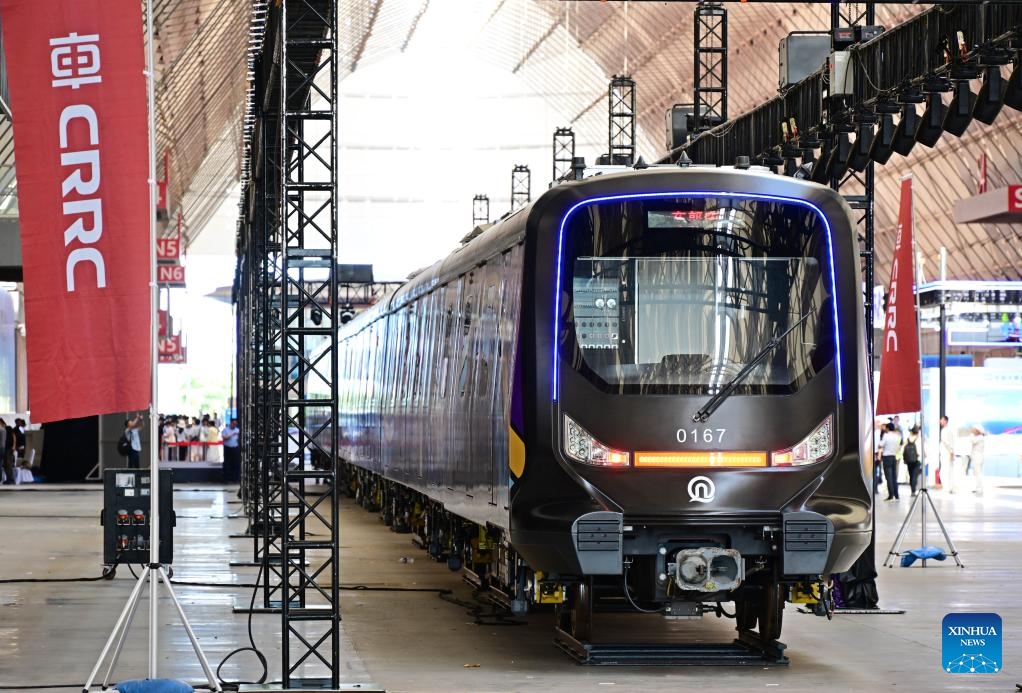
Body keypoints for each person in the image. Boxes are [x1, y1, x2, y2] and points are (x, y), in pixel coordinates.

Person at [879, 422, 902, 500]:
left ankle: (890, 495)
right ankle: (896, 495)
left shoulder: (886, 436)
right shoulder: (897, 436)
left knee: (889, 477)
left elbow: (880, 445)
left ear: (888, 428)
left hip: (887, 457)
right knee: (894, 477)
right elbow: (899, 446)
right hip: (894, 457)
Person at [939, 414, 957, 493]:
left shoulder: (945, 430)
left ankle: (946, 487)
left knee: (944, 470)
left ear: (945, 421)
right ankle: (950, 487)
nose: (940, 421)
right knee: (949, 470)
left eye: (941, 420)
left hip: (946, 452)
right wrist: (952, 451)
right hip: (949, 452)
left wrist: (951, 451)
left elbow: (946, 442)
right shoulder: (949, 430)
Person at [903, 425, 922, 497]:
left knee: (911, 475)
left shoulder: (908, 439)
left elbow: (903, 449)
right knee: (915, 475)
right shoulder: (919, 439)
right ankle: (914, 490)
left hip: (909, 460)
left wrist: (904, 459)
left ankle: (912, 490)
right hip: (917, 459)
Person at [221, 418, 240, 483]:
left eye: (235, 424)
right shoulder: (225, 430)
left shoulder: (237, 430)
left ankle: (235, 478)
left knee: (236, 463)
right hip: (227, 447)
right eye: (233, 424)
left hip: (235, 448)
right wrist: (232, 434)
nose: (234, 425)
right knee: (227, 463)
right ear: (231, 423)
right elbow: (224, 438)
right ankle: (226, 479)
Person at [969, 425, 987, 497]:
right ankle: (977, 487)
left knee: (978, 473)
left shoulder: (980, 437)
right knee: (976, 473)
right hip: (976, 457)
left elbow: (972, 440)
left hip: (978, 457)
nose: (973, 430)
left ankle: (980, 488)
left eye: (974, 430)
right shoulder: (979, 437)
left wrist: (971, 434)